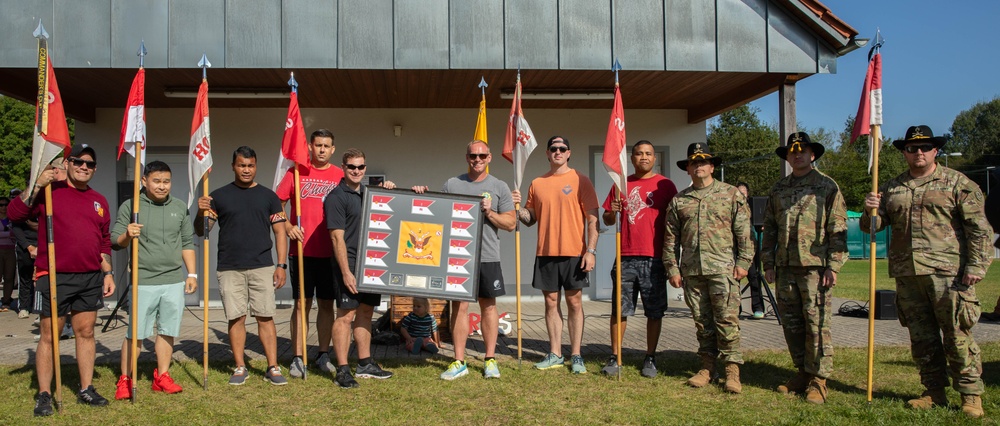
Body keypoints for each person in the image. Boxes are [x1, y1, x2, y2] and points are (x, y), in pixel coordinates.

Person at [861, 125, 993, 418]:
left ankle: (970, 395)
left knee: (957, 335)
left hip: (949, 274)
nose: (918, 152)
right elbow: (873, 227)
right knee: (922, 338)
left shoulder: (958, 183)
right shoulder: (892, 187)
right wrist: (870, 209)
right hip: (908, 275)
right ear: (904, 153)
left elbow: (979, 229)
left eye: (924, 147)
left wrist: (975, 266)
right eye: (911, 148)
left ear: (936, 151)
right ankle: (933, 391)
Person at [9, 144, 115, 416]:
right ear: (67, 164)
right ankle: (44, 394)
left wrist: (108, 272)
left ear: (95, 169)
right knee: (50, 336)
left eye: (89, 164)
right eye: (78, 161)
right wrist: (37, 184)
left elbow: (103, 241)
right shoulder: (49, 193)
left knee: (86, 332)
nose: (83, 167)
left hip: (90, 276)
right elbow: (15, 214)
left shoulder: (99, 200)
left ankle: (86, 388)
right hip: (54, 275)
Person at [411, 140, 516, 380]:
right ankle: (459, 361)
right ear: (466, 157)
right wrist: (421, 195)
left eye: (482, 156)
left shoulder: (499, 186)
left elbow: (510, 223)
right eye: (473, 156)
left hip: (488, 257)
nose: (477, 160)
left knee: (488, 306)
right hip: (457, 257)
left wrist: (490, 213)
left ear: (489, 157)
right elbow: (438, 214)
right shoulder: (452, 184)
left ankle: (490, 360)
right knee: (459, 306)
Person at [761, 132, 848, 404]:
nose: (797, 154)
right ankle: (802, 372)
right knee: (792, 324)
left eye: (803, 149)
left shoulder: (826, 186)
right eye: (792, 150)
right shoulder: (778, 188)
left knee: (816, 324)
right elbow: (770, 228)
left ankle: (818, 380)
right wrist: (768, 262)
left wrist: (833, 265)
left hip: (815, 268)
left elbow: (838, 228)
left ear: (813, 154)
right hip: (785, 267)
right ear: (787, 156)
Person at [662, 142, 752, 394]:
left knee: (727, 321)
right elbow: (670, 239)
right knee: (702, 322)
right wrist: (672, 269)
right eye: (694, 162)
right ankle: (707, 368)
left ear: (712, 166)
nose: (698, 166)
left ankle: (732, 370)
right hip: (692, 271)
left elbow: (744, 232)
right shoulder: (679, 200)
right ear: (688, 169)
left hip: (724, 270)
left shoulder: (731, 194)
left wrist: (744, 263)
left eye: (703, 162)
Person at [195, 146, 289, 386]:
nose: (246, 170)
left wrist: (281, 265)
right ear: (233, 166)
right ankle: (239, 367)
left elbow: (280, 233)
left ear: (256, 166)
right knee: (236, 318)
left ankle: (273, 366)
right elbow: (202, 231)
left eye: (250, 166)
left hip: (262, 266)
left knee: (265, 317)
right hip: (229, 267)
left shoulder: (270, 197)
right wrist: (200, 211)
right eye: (241, 165)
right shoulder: (218, 196)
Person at [110, 161, 197, 399]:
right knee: (135, 333)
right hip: (143, 280)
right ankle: (125, 379)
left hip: (172, 280)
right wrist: (128, 234)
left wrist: (191, 274)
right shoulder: (132, 206)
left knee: (168, 330)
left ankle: (162, 376)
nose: (161, 186)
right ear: (144, 181)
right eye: (156, 181)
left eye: (166, 181)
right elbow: (114, 240)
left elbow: (187, 241)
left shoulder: (179, 207)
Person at [512, 136, 599, 375]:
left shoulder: (581, 180)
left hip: (575, 253)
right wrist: (518, 210)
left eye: (562, 149)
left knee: (574, 302)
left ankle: (577, 355)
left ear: (569, 153)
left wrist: (590, 251)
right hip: (546, 253)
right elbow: (530, 219)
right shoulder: (537, 182)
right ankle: (555, 353)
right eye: (553, 149)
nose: (558, 152)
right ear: (548, 154)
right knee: (551, 303)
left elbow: (592, 219)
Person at [599, 140, 677, 378]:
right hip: (625, 257)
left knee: (654, 312)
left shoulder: (665, 185)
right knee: (619, 310)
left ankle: (650, 356)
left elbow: (675, 222)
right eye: (639, 154)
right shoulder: (620, 183)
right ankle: (616, 356)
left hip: (654, 258)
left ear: (655, 158)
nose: (644, 157)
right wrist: (612, 211)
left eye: (648, 154)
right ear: (631, 159)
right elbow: (607, 220)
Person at [274, 129, 344, 377]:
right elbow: (276, 204)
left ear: (333, 149)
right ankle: (297, 356)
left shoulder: (340, 175)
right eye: (318, 145)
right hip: (301, 252)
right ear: (310, 148)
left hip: (330, 253)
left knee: (327, 305)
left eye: (327, 146)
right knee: (302, 304)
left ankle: (323, 354)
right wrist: (289, 226)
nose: (322, 150)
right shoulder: (296, 171)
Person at [325, 148, 396, 388]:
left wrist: (391, 193)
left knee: (366, 312)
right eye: (351, 167)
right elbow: (336, 238)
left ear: (365, 169)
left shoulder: (371, 194)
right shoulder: (336, 197)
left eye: (360, 167)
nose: (356, 171)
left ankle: (365, 363)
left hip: (372, 263)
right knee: (346, 315)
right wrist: (345, 271)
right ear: (343, 168)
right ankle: (343, 369)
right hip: (350, 263)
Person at [736, 182, 765, 320]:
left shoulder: (753, 207)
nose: (741, 194)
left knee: (754, 277)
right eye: (739, 191)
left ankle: (758, 307)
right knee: (734, 281)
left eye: (744, 191)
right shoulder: (731, 207)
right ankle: (736, 308)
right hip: (734, 248)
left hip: (750, 247)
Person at [10, 188, 38, 320]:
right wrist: (29, 246)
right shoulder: (21, 205)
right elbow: (16, 227)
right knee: (25, 277)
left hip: (44, 245)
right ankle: (24, 307)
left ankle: (40, 308)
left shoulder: (46, 203)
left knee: (42, 279)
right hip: (25, 246)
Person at [0, 196, 16, 312]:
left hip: (10, 250)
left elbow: (16, 234)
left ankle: (6, 301)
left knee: (9, 276)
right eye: (1, 205)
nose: (4, 207)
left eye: (6, 204)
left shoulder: (12, 219)